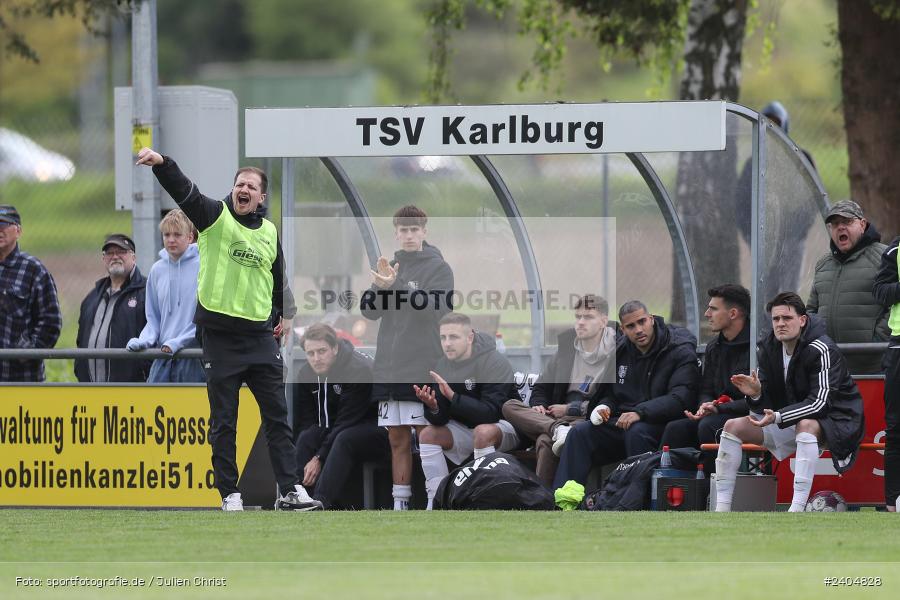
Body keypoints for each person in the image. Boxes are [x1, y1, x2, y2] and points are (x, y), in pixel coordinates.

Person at [136, 147, 314, 512]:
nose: (243, 189)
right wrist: (163, 164)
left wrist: (288, 313)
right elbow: (185, 191)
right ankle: (230, 494)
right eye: (239, 184)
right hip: (220, 338)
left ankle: (290, 490)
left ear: (262, 197)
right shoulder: (214, 216)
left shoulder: (268, 231)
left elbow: (277, 277)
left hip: (260, 339)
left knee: (277, 418)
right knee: (224, 422)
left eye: (251, 186)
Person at [716, 292, 864, 512]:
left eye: (787, 318)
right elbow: (765, 404)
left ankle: (796, 510)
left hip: (836, 420)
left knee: (805, 425)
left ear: (802, 320)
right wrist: (756, 394)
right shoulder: (768, 348)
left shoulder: (822, 348)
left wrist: (778, 416)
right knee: (732, 427)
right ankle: (721, 508)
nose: (780, 324)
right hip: (788, 418)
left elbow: (820, 403)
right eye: (776, 319)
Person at [360, 205, 454, 510]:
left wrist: (397, 286)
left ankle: (435, 500)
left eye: (415, 229)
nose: (409, 235)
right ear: (396, 233)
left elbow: (436, 310)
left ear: (424, 232)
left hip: (421, 366)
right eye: (404, 230)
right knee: (396, 439)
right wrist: (379, 286)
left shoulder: (439, 268)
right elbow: (368, 312)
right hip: (389, 368)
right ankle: (399, 505)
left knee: (425, 436)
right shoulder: (390, 267)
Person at [553, 300, 700, 490]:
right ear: (623, 329)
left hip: (661, 424)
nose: (638, 330)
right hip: (624, 422)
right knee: (579, 433)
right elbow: (612, 394)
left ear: (651, 319)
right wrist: (604, 407)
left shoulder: (678, 348)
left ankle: (635, 499)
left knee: (637, 432)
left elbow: (682, 398)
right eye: (631, 326)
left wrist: (640, 412)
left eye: (642, 322)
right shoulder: (621, 351)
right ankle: (565, 499)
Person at [501, 294, 617, 486]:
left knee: (545, 440)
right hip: (555, 419)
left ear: (604, 321)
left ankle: (542, 498)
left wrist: (570, 409)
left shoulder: (616, 352)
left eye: (588, 317)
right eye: (578, 317)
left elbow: (613, 400)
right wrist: (539, 404)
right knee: (509, 405)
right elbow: (541, 386)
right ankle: (558, 429)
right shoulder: (566, 350)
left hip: (587, 420)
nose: (580, 322)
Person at [413, 312, 520, 510]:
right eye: (443, 337)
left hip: (504, 427)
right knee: (427, 435)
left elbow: (491, 412)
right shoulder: (442, 364)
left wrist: (453, 397)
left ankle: (482, 500)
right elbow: (441, 419)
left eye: (454, 337)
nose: (447, 344)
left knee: (482, 432)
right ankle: (436, 502)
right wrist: (434, 407)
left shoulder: (494, 361)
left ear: (470, 337)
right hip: (467, 429)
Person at [293, 323, 389, 510]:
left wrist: (319, 457)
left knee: (344, 438)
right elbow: (306, 421)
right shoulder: (306, 373)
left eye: (322, 351)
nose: (316, 358)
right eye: (310, 353)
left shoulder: (358, 370)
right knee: (306, 436)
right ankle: (298, 498)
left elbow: (347, 421)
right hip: (338, 429)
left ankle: (320, 502)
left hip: (378, 430)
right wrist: (313, 450)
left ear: (335, 348)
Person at [660, 285, 751, 468]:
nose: (707, 314)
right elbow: (706, 388)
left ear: (733, 313)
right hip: (718, 413)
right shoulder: (713, 347)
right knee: (675, 429)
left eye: (713, 309)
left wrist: (719, 408)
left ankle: (713, 483)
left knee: (708, 425)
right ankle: (671, 482)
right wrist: (705, 405)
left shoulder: (758, 346)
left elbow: (759, 399)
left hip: (749, 417)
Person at [807, 200, 889, 374]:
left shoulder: (884, 258)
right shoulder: (822, 264)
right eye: (835, 224)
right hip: (830, 368)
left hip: (874, 368)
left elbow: (896, 306)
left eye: (847, 221)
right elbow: (811, 310)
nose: (840, 227)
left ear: (862, 225)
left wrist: (876, 340)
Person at [126, 209, 205, 383]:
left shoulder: (204, 267)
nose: (171, 240)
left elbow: (204, 318)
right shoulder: (157, 270)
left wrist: (179, 342)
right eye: (166, 234)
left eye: (177, 234)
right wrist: (145, 340)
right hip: (163, 355)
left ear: (190, 237)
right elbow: (153, 317)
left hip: (193, 356)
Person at [74, 233, 148, 383]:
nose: (115, 256)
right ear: (103, 258)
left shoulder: (147, 292)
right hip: (91, 388)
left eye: (121, 251)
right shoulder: (91, 298)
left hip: (133, 390)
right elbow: (81, 341)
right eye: (109, 253)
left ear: (133, 257)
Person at [0, 204, 62, 382]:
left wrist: (25, 353)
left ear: (18, 231)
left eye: (4, 224)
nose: (0, 230)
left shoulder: (34, 270)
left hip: (21, 379)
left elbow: (51, 322)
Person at [874, 235, 900, 512]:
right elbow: (880, 292)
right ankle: (893, 503)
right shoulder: (895, 249)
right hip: (898, 346)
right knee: (895, 428)